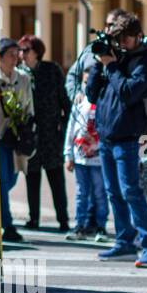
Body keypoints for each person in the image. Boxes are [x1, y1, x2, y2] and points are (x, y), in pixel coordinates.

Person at [85, 9, 147, 268]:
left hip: (132, 136)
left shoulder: (146, 61)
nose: (122, 45)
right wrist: (100, 62)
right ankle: (124, 241)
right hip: (107, 136)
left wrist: (112, 66)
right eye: (117, 40)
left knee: (132, 191)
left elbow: (130, 92)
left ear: (138, 36)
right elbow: (91, 94)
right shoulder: (117, 58)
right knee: (114, 193)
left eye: (126, 40)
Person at [0, 37, 33, 243]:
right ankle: (7, 226)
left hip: (16, 136)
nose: (15, 59)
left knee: (11, 180)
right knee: (1, 181)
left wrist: (28, 127)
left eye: (16, 54)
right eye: (10, 55)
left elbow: (29, 105)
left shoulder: (23, 78)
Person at [20, 35, 70, 232]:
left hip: (51, 134)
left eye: (26, 50)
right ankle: (34, 218)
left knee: (56, 178)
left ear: (36, 52)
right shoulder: (20, 73)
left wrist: (64, 127)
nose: (22, 55)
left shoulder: (51, 69)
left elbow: (64, 99)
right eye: (21, 51)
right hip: (30, 135)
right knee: (32, 178)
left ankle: (63, 219)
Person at [64, 65, 108, 241]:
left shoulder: (105, 104)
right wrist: (68, 155)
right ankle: (79, 226)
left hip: (99, 159)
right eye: (85, 82)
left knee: (100, 193)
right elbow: (70, 130)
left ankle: (101, 226)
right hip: (81, 158)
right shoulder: (79, 104)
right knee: (81, 193)